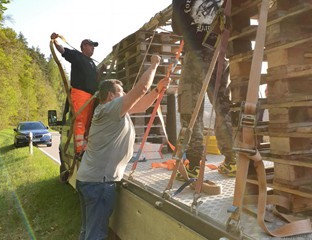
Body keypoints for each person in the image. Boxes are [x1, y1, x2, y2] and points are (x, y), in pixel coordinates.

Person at [76, 54, 170, 240]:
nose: (125, 94)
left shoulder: (114, 111)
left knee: (88, 231)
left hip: (93, 180)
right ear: (111, 95)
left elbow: (141, 105)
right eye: (121, 91)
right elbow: (140, 90)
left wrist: (157, 90)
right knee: (95, 234)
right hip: (98, 183)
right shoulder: (108, 109)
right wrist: (154, 65)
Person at [171, 0, 237, 178]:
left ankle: (194, 165)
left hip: (196, 52)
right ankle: (232, 160)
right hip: (218, 53)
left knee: (191, 107)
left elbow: (177, 27)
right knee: (222, 105)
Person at [50, 32, 102, 154]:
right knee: (80, 120)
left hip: (91, 96)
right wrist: (55, 41)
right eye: (91, 46)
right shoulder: (77, 56)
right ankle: (79, 148)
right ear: (84, 46)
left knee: (88, 122)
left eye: (93, 47)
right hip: (80, 94)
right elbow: (63, 51)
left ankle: (85, 145)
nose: (93, 48)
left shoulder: (92, 63)